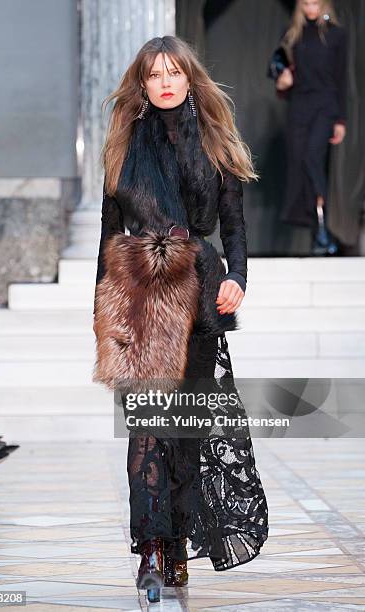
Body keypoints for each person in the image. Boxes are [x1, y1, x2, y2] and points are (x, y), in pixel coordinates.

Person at [93, 35, 269, 603]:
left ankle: (175, 543)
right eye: (154, 74)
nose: (165, 82)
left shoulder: (215, 141)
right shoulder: (123, 144)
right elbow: (107, 233)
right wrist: (103, 314)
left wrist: (237, 278)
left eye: (174, 72)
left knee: (183, 432)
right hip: (139, 298)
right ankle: (150, 548)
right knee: (146, 430)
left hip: (197, 296)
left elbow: (234, 225)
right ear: (141, 85)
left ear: (190, 78)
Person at [276, 0, 348, 255]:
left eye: (315, 2)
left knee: (312, 159)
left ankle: (322, 227)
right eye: (305, 2)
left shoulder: (337, 35)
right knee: (299, 164)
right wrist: (282, 77)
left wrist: (340, 120)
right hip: (299, 106)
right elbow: (276, 65)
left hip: (325, 106)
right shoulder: (291, 33)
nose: (310, 7)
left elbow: (341, 78)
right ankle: (315, 227)